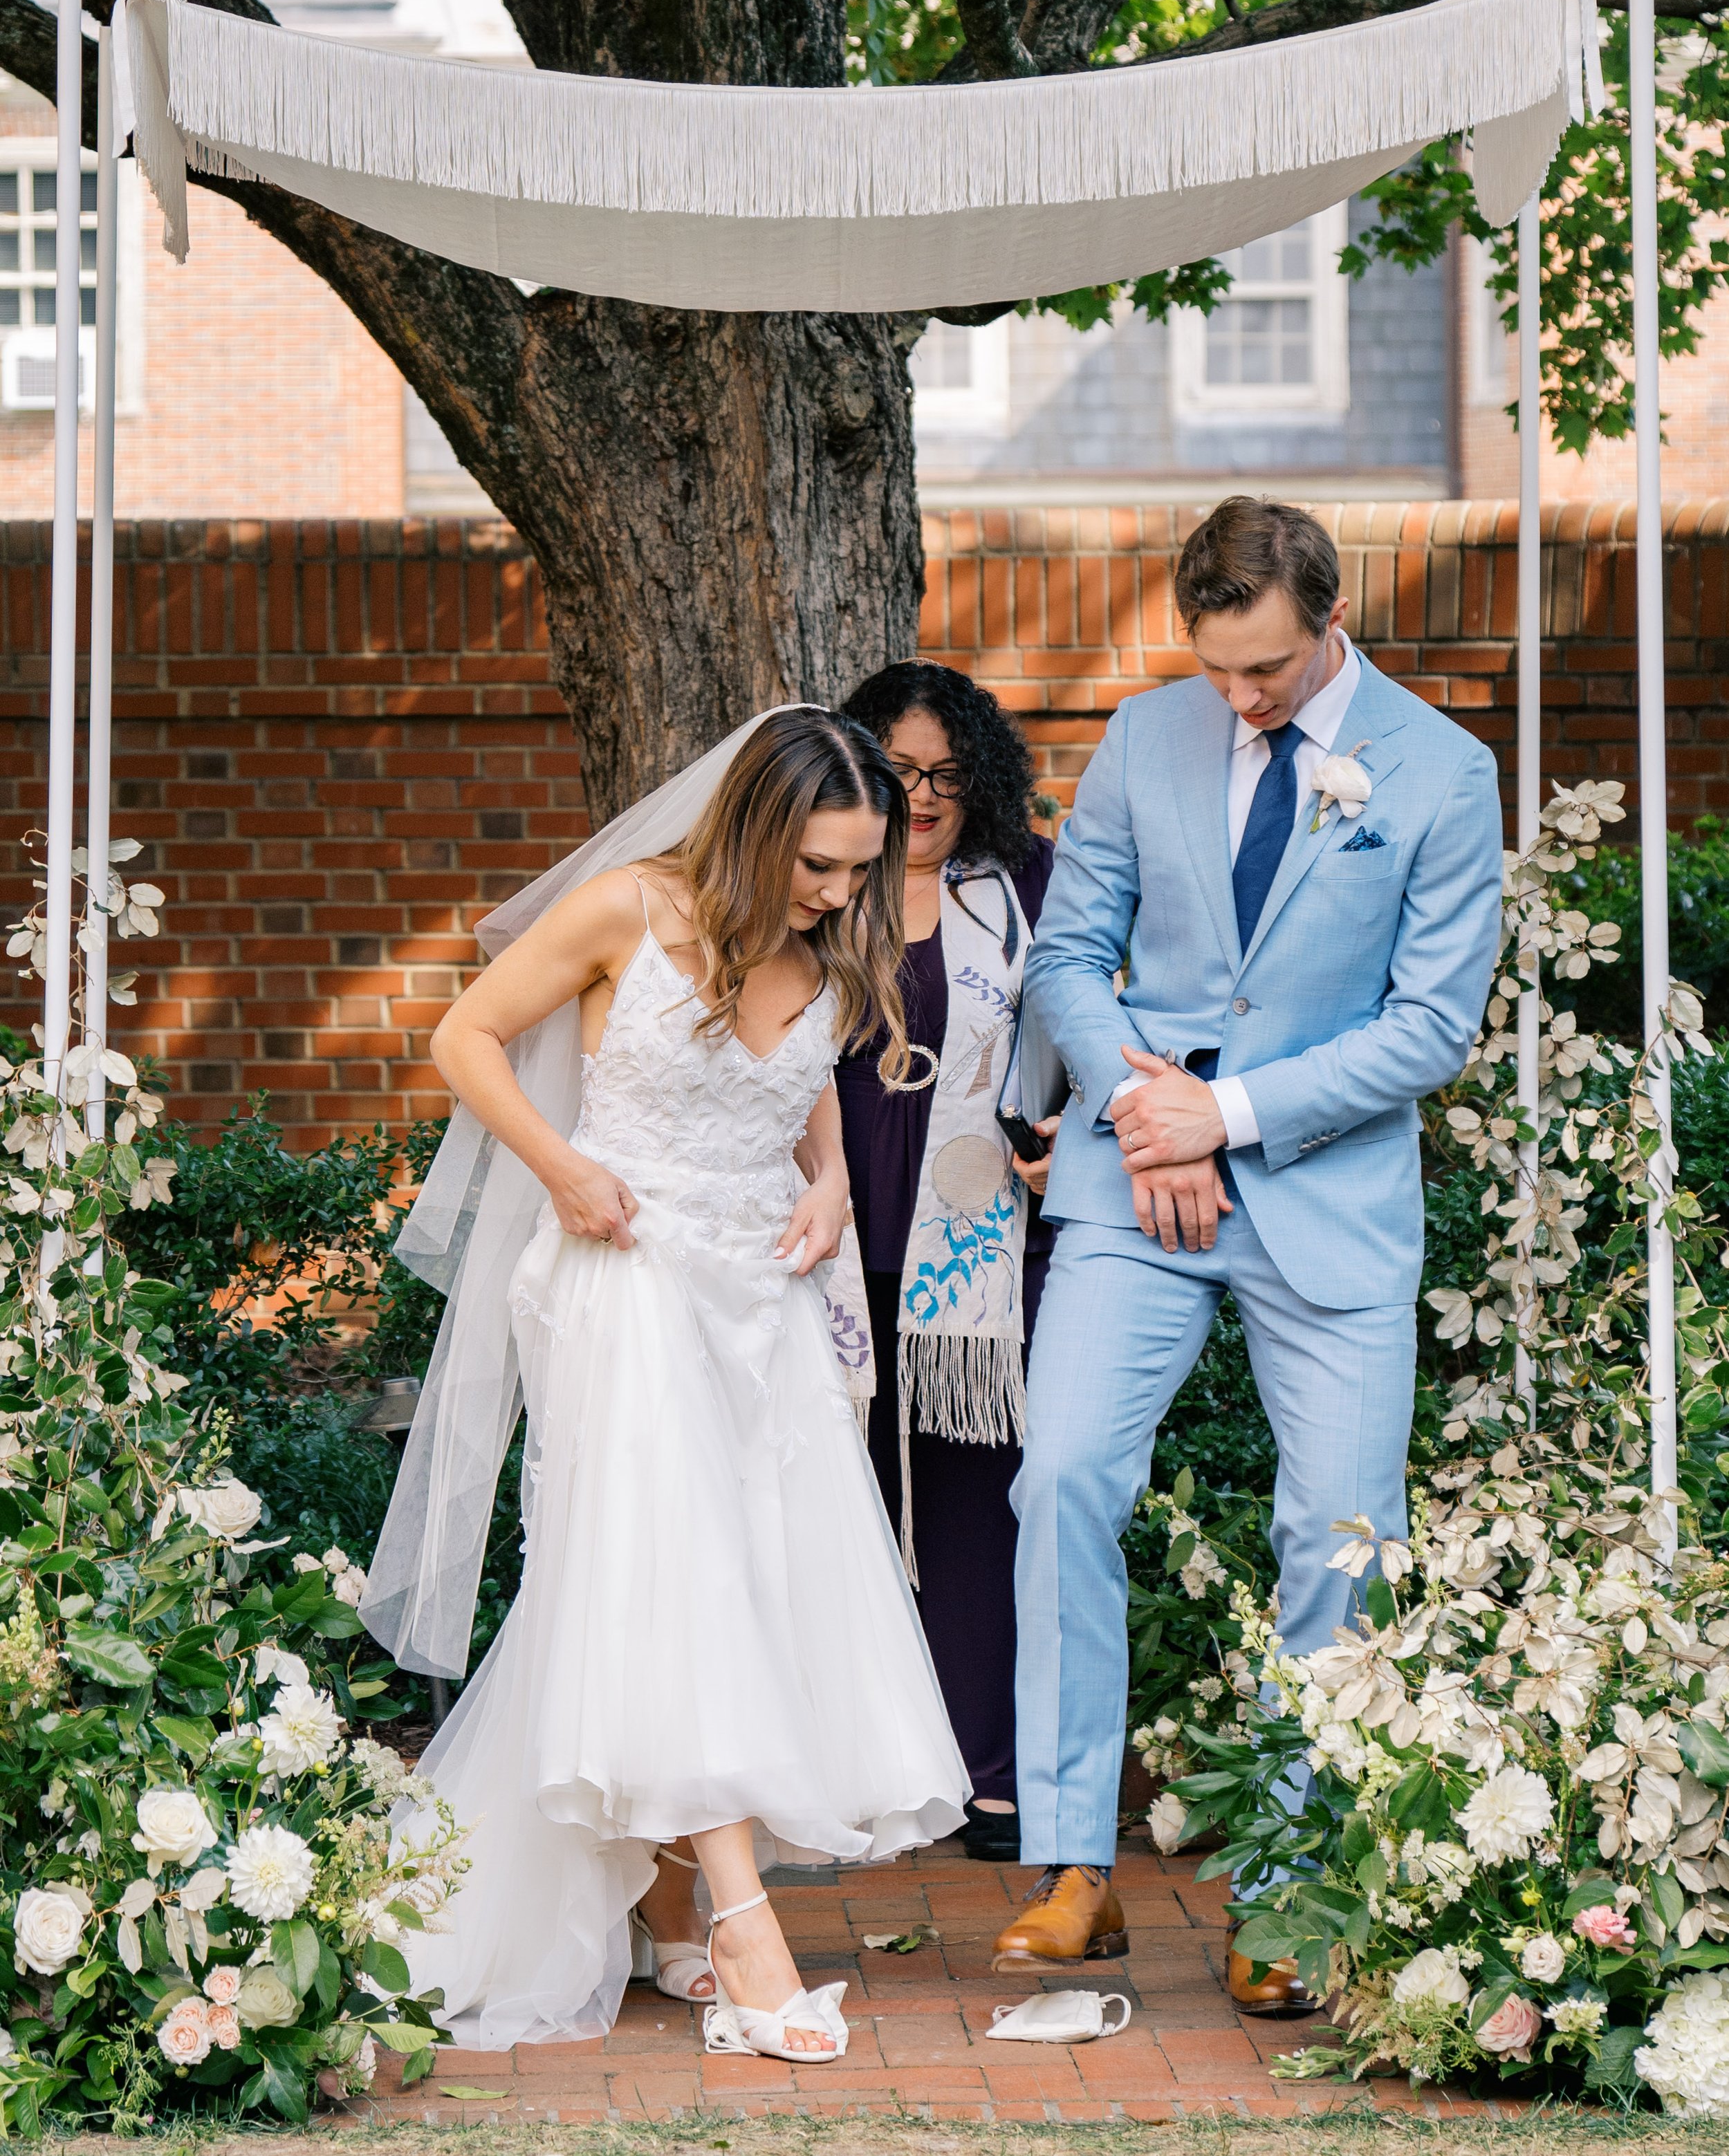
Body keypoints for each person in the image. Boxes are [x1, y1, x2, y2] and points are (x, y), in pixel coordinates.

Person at [360, 708, 967, 2065]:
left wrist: (824, 1190)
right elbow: (467, 1037)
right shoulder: (620, 913)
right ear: (755, 827)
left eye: (857, 870)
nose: (838, 893)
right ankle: (746, 1934)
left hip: (758, 1294)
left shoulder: (824, 952)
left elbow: (801, 1106)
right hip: (621, 1273)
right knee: (674, 1569)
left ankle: (674, 1905)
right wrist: (561, 1166)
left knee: (740, 1577)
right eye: (817, 864)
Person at [995, 498, 1503, 2007]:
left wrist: (1220, 1114)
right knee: (1063, 1476)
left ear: (1328, 618)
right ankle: (1072, 1865)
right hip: (1130, 1188)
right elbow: (1067, 959)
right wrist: (1151, 1105)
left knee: (1338, 1535)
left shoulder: (1442, 771)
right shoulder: (1144, 739)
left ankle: (1285, 1885)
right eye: (1216, 671)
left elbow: (1429, 1025)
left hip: (1322, 1203)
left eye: (1267, 670)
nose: (1240, 700)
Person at [837, 662, 1060, 1866]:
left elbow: (1089, 1015)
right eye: (897, 770)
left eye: (945, 772)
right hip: (831, 1231)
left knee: (980, 1502)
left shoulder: (1025, 880)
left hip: (979, 1240)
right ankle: (857, 1767)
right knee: (839, 1501)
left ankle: (992, 1770)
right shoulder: (818, 872)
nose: (921, 796)